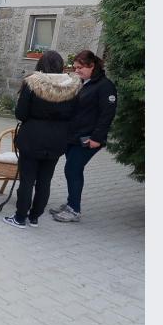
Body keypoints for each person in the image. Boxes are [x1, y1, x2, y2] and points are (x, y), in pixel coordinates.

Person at [3, 51, 80, 229]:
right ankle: (35, 217)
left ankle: (20, 217)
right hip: (58, 138)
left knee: (27, 179)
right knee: (45, 180)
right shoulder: (73, 87)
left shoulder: (32, 83)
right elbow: (75, 115)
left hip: (33, 136)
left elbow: (21, 114)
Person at [50, 50, 117, 222]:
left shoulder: (105, 86)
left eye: (80, 67)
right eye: (75, 67)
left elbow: (107, 115)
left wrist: (96, 138)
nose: (77, 70)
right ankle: (71, 203)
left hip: (89, 138)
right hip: (73, 136)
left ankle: (74, 210)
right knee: (72, 169)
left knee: (73, 169)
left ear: (91, 66)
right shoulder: (82, 82)